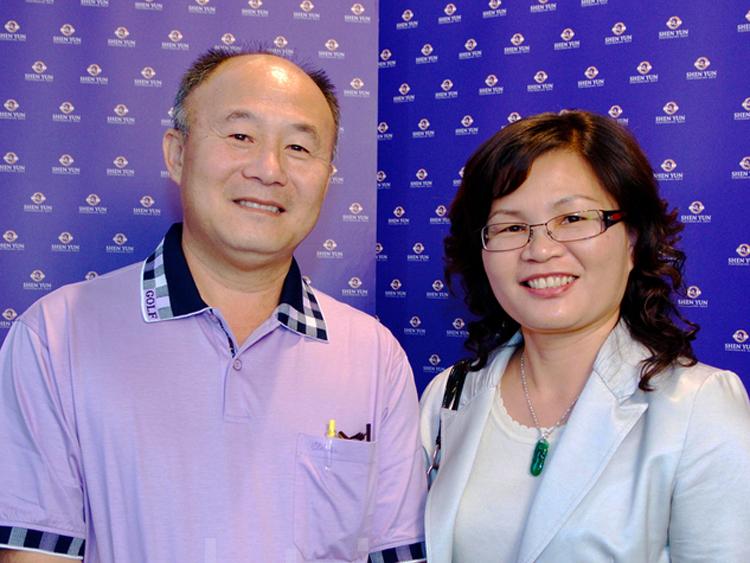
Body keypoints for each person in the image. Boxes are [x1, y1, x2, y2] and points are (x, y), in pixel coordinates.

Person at [0, 48, 426, 562]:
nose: (269, 170)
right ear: (177, 153)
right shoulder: (55, 335)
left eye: (298, 147)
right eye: (241, 136)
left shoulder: (373, 356)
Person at [420, 110, 750, 562]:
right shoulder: (448, 396)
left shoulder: (699, 407)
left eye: (573, 218)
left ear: (633, 239)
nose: (540, 250)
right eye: (512, 227)